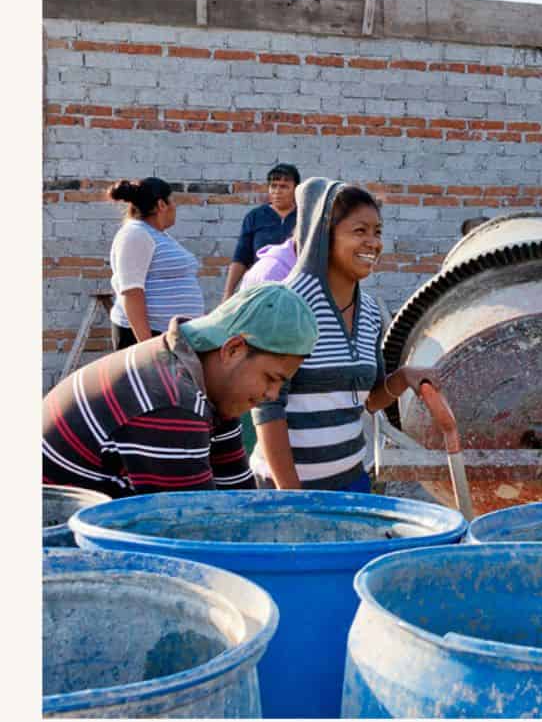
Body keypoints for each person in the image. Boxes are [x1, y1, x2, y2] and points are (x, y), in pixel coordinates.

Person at [250, 179, 441, 491]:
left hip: (352, 479)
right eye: (359, 231)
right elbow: (267, 408)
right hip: (287, 489)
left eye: (377, 232)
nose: (373, 243)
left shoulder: (369, 312)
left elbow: (369, 401)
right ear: (325, 236)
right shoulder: (289, 306)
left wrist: (404, 376)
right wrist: (291, 496)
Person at [43, 283, 318, 498]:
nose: (272, 394)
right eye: (271, 378)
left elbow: (238, 495)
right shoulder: (168, 402)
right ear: (233, 349)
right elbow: (191, 530)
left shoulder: (213, 387)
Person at [107, 177, 205, 351]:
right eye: (172, 200)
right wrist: (147, 348)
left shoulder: (155, 234)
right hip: (148, 338)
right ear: (162, 204)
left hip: (166, 336)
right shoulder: (135, 234)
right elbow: (132, 292)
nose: (175, 207)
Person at [223, 163, 301, 299]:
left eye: (284, 187)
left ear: (296, 189)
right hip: (260, 290)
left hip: (296, 289)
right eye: (273, 186)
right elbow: (241, 258)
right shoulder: (256, 217)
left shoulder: (304, 217)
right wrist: (228, 293)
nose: (277, 191)